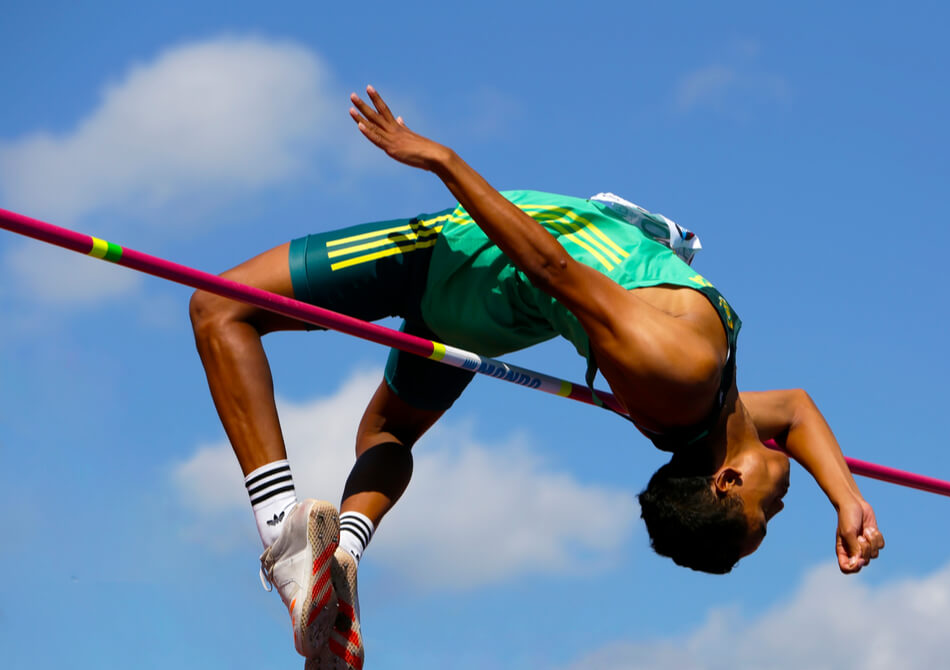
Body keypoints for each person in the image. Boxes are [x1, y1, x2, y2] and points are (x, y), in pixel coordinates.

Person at [188, 85, 885, 670]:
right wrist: (847, 499)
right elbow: (793, 411)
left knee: (220, 306)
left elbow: (552, 268)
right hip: (496, 317)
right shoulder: (713, 411)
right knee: (389, 431)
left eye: (770, 513)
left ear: (726, 480)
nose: (783, 503)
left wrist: (441, 160)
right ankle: (341, 555)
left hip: (465, 261)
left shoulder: (681, 372)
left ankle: (282, 540)